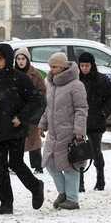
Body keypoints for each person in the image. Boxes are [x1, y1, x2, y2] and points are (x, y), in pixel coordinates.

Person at [0, 43, 46, 215]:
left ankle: (35, 186)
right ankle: (6, 203)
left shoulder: (20, 78)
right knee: (0, 166)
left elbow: (36, 100)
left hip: (16, 128)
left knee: (16, 163)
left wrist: (22, 117)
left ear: (8, 59)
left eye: (0, 58)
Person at [39, 52, 88, 210]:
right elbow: (49, 108)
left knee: (70, 166)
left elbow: (81, 109)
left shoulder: (76, 85)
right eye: (50, 66)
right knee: (50, 163)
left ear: (63, 66)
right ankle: (63, 192)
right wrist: (42, 124)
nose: (52, 70)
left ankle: (72, 199)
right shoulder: (52, 84)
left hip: (69, 133)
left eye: (55, 66)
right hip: (54, 133)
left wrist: (79, 131)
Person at [78, 51, 111, 191]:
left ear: (92, 65)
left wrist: (104, 113)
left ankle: (100, 180)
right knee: (78, 153)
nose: (84, 68)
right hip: (79, 122)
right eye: (82, 65)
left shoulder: (101, 79)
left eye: (87, 65)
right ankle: (79, 183)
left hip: (96, 121)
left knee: (96, 151)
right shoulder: (76, 80)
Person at [14, 47, 47, 174]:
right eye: (18, 59)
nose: (21, 62)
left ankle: (37, 166)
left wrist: (34, 99)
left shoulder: (35, 74)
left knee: (34, 140)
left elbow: (42, 93)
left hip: (33, 112)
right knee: (16, 140)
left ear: (27, 60)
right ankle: (16, 164)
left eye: (23, 59)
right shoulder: (12, 73)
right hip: (17, 111)